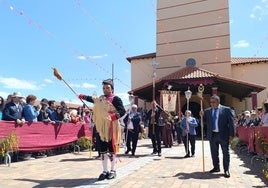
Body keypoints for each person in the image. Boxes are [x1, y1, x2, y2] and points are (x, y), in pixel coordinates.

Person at [78, 78, 126, 181]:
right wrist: (83, 96)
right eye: (103, 88)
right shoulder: (100, 99)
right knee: (103, 151)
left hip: (111, 127)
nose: (105, 89)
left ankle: (113, 170)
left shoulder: (116, 99)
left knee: (112, 150)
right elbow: (93, 99)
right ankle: (105, 171)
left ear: (112, 89)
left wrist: (113, 117)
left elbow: (122, 111)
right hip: (101, 128)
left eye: (107, 87)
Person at [201, 95, 235, 178]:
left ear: (218, 102)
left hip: (223, 135)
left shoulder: (226, 110)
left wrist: (232, 135)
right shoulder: (207, 111)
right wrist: (201, 115)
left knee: (225, 153)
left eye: (213, 102)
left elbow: (231, 123)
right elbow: (204, 121)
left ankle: (226, 170)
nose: (211, 104)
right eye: (210, 102)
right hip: (212, 135)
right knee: (214, 153)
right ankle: (216, 167)